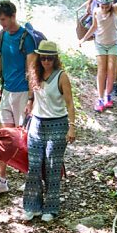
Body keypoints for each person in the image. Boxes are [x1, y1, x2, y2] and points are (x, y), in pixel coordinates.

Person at [0, 0, 39, 196]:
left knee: (25, 137)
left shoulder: (26, 37)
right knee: (2, 137)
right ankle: (1, 180)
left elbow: (32, 68)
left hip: (23, 92)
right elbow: (1, 59)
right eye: (0, 20)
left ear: (13, 16)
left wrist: (31, 99)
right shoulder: (1, 36)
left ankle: (31, 177)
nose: (2, 23)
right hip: (7, 92)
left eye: (4, 19)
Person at [23, 40, 76, 222]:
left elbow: (69, 103)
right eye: (43, 58)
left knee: (53, 166)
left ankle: (51, 207)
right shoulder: (35, 73)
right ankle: (32, 206)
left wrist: (72, 126)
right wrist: (30, 102)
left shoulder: (62, 77)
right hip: (37, 123)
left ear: (55, 59)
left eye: (49, 58)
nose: (46, 61)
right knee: (34, 166)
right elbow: (33, 91)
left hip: (58, 124)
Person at [79, 0, 117, 112]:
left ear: (111, 3)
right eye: (102, 6)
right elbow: (94, 27)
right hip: (100, 43)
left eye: (106, 6)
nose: (104, 8)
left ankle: (108, 95)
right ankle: (100, 98)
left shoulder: (115, 9)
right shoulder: (96, 11)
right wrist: (84, 39)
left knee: (111, 70)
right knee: (101, 71)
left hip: (113, 43)